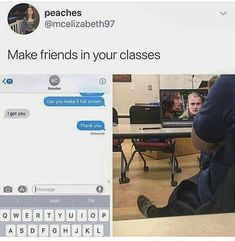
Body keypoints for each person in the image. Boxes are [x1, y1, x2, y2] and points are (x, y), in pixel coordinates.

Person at [137, 75, 235, 218]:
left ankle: (153, 213)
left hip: (223, 194)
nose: (195, 107)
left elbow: (200, 143)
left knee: (184, 195)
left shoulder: (229, 81)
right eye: (191, 104)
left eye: (198, 104)